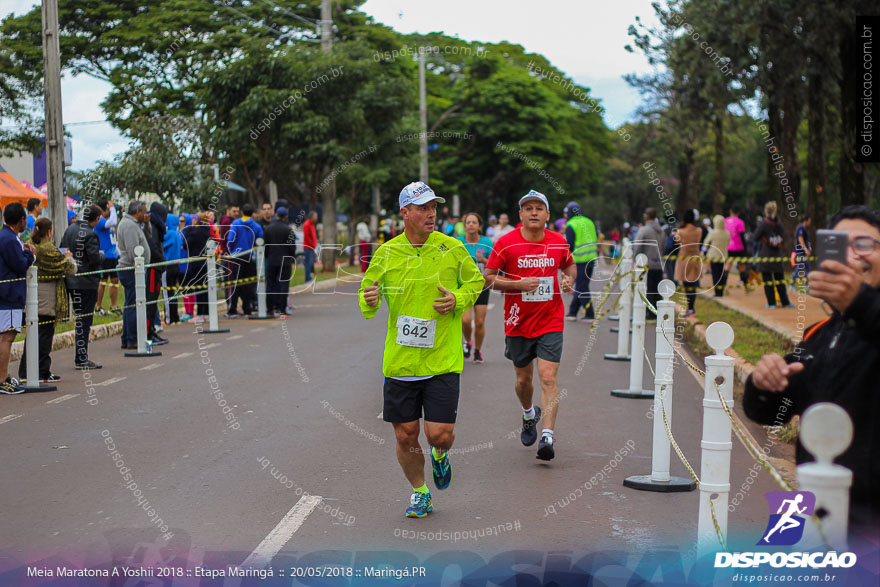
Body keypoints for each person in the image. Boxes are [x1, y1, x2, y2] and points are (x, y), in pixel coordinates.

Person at [743, 205, 880, 539]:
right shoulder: (821, 334)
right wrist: (764, 383)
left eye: (865, 244)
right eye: (839, 244)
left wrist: (860, 304)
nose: (852, 255)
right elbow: (771, 412)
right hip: (812, 513)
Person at [359, 181, 483, 518]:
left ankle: (441, 455)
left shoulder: (452, 248)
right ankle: (420, 491)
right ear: (405, 213)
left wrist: (457, 299)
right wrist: (369, 299)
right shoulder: (386, 254)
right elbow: (367, 294)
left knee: (438, 435)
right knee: (405, 434)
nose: (431, 214)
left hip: (442, 357)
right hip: (401, 361)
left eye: (433, 207)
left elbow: (475, 281)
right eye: (423, 208)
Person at [484, 190, 576, 461]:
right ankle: (528, 414)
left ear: (548, 215)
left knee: (548, 377)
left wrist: (568, 279)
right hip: (518, 321)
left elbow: (570, 267)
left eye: (539, 208)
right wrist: (517, 285)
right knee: (524, 380)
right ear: (520, 215)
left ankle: (547, 435)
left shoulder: (559, 242)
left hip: (550, 319)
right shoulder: (506, 244)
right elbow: (488, 278)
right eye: (528, 208)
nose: (534, 212)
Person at [18, 218, 76, 383]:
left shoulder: (30, 244)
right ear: (49, 231)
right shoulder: (48, 248)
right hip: (46, 297)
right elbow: (68, 268)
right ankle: (42, 372)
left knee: (32, 336)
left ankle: (26, 372)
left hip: (32, 295)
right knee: (44, 336)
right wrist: (68, 257)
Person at [61, 203, 105, 369]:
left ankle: (80, 356)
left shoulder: (70, 230)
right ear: (97, 219)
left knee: (80, 318)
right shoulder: (91, 235)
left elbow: (62, 249)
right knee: (85, 320)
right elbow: (94, 259)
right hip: (86, 282)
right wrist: (102, 255)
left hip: (72, 280)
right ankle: (81, 357)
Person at [0, 202, 35, 393]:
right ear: (22, 220)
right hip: (9, 294)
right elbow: (20, 265)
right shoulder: (9, 239)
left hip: (5, 293)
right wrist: (30, 255)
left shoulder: (6, 236)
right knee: (7, 336)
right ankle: (2, 378)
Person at [457, 212, 493, 363]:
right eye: (468, 222)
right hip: (464, 286)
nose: (471, 225)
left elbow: (493, 264)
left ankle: (477, 350)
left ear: (479, 226)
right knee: (465, 320)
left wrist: (483, 260)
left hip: (482, 286)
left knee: (479, 322)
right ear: (464, 226)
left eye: (474, 222)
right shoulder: (458, 242)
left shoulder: (487, 242)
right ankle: (467, 341)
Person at [117, 201, 150, 350]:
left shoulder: (132, 223)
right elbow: (133, 251)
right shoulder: (129, 226)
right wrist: (139, 267)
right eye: (144, 211)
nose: (146, 214)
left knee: (131, 304)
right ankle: (132, 338)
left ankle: (127, 337)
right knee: (133, 305)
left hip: (132, 269)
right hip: (131, 269)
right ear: (137, 212)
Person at [225, 203, 263, 317]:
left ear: (241, 213)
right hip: (250, 257)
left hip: (236, 257)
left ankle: (232, 309)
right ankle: (247, 309)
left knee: (235, 284)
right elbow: (260, 240)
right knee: (248, 284)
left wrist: (232, 251)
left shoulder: (236, 223)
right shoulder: (256, 226)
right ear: (252, 214)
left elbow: (230, 239)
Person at [752, 201, 792, 308]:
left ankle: (771, 303)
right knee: (780, 279)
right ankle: (785, 302)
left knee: (768, 280)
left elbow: (755, 236)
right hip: (777, 254)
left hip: (766, 254)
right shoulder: (779, 222)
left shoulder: (764, 223)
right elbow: (783, 236)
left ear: (766, 210)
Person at [564, 203, 599, 321]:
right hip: (591, 259)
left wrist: (565, 260)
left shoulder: (571, 225)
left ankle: (589, 314)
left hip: (579, 261)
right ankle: (573, 312)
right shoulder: (589, 222)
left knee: (582, 287)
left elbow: (570, 245)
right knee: (581, 285)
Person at [632, 207, 666, 321]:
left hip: (648, 263)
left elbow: (637, 246)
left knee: (648, 289)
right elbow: (663, 246)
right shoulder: (661, 230)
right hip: (659, 264)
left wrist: (636, 259)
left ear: (646, 216)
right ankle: (657, 312)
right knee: (657, 289)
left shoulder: (644, 230)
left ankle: (650, 313)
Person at [263, 207, 297, 316]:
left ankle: (269, 310)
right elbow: (292, 247)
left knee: (270, 284)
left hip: (272, 259)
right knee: (284, 285)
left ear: (276, 215)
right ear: (285, 216)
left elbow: (265, 245)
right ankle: (282, 309)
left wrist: (267, 256)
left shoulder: (268, 228)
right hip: (285, 260)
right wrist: (292, 257)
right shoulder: (288, 229)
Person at [182, 212, 215, 324]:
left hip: (196, 263)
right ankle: (207, 313)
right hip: (207, 262)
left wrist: (188, 233)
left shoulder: (194, 233)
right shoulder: (208, 232)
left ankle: (201, 313)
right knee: (206, 288)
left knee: (199, 288)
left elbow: (185, 245)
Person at [144, 203, 169, 344]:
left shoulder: (155, 226)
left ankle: (151, 329)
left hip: (156, 267)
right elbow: (153, 248)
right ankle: (148, 333)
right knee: (150, 301)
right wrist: (161, 262)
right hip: (154, 268)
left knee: (153, 301)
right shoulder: (153, 227)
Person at [674, 210, 702, 317]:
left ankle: (690, 308)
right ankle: (692, 308)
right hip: (695, 258)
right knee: (693, 284)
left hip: (684, 259)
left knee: (686, 284)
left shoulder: (680, 232)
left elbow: (676, 241)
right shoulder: (699, 230)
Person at [94, 200, 120, 316]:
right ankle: (98, 306)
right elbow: (113, 221)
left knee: (115, 280)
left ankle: (113, 306)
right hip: (104, 255)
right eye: (108, 210)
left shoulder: (109, 222)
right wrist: (113, 208)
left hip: (113, 255)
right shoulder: (99, 221)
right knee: (103, 281)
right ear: (103, 210)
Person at [162, 211, 183, 324]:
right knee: (173, 292)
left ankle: (168, 318)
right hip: (175, 265)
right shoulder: (177, 233)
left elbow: (161, 244)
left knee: (166, 292)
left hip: (168, 265)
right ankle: (175, 316)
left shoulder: (169, 234)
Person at [703, 214, 730, 297]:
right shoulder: (727, 233)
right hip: (723, 255)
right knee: (721, 273)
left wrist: (708, 249)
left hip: (713, 256)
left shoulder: (712, 233)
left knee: (715, 274)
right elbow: (728, 243)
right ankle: (721, 291)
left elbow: (706, 243)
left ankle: (717, 292)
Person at [725, 206, 748, 286]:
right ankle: (745, 285)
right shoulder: (740, 222)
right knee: (741, 266)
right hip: (739, 247)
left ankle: (722, 285)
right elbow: (742, 236)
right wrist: (745, 248)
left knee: (727, 265)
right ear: (738, 213)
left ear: (730, 211)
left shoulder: (725, 221)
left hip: (728, 247)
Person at [793, 214, 812, 290]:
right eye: (809, 221)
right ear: (806, 221)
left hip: (802, 252)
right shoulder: (801, 228)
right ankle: (791, 284)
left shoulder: (802, 228)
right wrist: (805, 249)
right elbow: (800, 238)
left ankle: (807, 285)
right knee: (799, 268)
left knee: (807, 268)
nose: (810, 222)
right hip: (801, 252)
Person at [302, 211, 318, 284]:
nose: (316, 218)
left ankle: (309, 278)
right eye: (315, 216)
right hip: (308, 247)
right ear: (311, 217)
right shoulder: (307, 224)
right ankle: (308, 279)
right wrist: (312, 244)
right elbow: (307, 236)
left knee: (311, 263)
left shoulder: (311, 224)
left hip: (311, 247)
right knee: (308, 263)